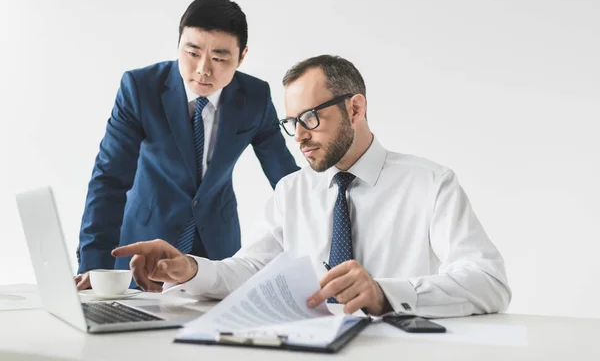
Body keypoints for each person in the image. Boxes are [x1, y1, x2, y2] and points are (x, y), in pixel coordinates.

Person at [112, 55, 511, 317]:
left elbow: (489, 282)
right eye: (291, 123)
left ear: (355, 108)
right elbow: (251, 270)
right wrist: (190, 267)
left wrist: (385, 293)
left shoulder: (430, 184)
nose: (298, 136)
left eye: (310, 118)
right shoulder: (291, 191)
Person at [75, 0, 299, 290]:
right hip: (142, 251)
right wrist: (93, 267)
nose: (203, 69)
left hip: (217, 251)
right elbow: (109, 180)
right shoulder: (140, 89)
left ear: (242, 56)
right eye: (192, 53)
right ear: (178, 44)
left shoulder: (254, 98)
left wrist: (322, 238)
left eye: (219, 58)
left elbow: (287, 180)